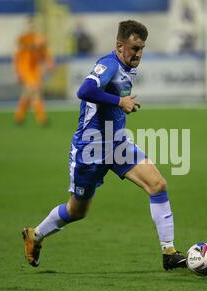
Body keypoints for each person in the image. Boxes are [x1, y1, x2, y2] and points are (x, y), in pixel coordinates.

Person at [22, 20, 187, 271]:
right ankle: (36, 235)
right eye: (133, 48)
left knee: (157, 185)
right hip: (89, 149)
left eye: (142, 48)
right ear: (120, 46)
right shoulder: (108, 64)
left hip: (116, 142)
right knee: (77, 211)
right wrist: (120, 101)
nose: (138, 54)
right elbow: (85, 89)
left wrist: (118, 106)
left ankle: (169, 253)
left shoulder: (126, 65)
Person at [14, 17, 55, 126]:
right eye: (29, 25)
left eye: (32, 25)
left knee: (29, 93)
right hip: (25, 68)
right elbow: (17, 56)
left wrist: (49, 63)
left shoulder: (39, 39)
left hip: (36, 69)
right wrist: (17, 72)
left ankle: (19, 116)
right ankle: (42, 118)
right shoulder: (22, 39)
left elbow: (45, 53)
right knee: (34, 90)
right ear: (26, 26)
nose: (31, 27)